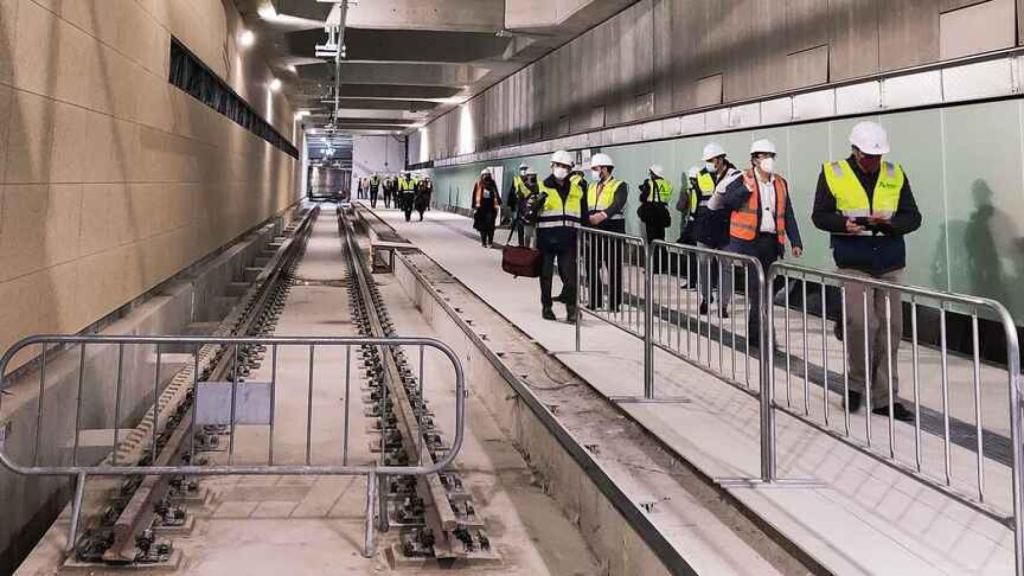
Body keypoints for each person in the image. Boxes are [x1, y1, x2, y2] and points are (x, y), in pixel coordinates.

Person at [812, 120, 921, 422]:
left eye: (879, 156)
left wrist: (891, 225)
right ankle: (857, 386)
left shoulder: (894, 173)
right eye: (870, 156)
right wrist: (841, 224)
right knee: (862, 325)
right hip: (853, 262)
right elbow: (819, 215)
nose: (875, 162)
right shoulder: (833, 173)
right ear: (856, 152)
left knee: (890, 330)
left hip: (889, 262)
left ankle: (886, 398)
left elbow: (913, 216)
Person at [711, 139, 803, 347]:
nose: (768, 160)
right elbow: (729, 202)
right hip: (749, 242)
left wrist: (795, 241)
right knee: (757, 290)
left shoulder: (780, 182)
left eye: (771, 156)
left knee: (766, 289)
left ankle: (759, 334)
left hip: (771, 243)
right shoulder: (742, 179)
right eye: (763, 156)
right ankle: (761, 335)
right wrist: (746, 188)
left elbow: (788, 213)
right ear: (754, 159)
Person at [537, 150, 587, 322]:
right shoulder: (541, 187)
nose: (561, 169)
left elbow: (584, 214)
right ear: (552, 166)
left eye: (565, 166)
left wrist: (586, 236)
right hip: (547, 238)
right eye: (558, 165)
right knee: (546, 276)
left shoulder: (577, 189)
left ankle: (572, 310)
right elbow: (529, 214)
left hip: (568, 239)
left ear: (570, 169)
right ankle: (546, 307)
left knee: (570, 277)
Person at [696, 143, 741, 316]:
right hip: (705, 226)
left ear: (720, 159)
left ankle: (723, 305)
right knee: (703, 265)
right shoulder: (701, 175)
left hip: (725, 227)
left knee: (726, 267)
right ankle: (706, 299)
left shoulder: (735, 175)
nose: (708, 163)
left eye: (710, 160)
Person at [583, 153, 628, 312]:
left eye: (595, 168)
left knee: (613, 267)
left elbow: (618, 203)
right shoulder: (591, 186)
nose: (593, 172)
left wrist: (601, 216)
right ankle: (595, 300)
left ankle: (615, 303)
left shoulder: (619, 185)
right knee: (591, 265)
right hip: (593, 230)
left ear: (604, 168)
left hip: (612, 228)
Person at [639, 164, 673, 273]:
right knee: (661, 240)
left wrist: (644, 189)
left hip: (651, 214)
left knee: (652, 241)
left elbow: (643, 198)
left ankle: (653, 267)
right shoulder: (668, 184)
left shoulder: (650, 183)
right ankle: (662, 267)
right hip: (662, 213)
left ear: (654, 174)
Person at [507, 167, 539, 247]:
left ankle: (533, 251)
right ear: (527, 176)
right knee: (526, 235)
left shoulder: (539, 186)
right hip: (525, 214)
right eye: (531, 175)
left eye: (534, 175)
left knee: (536, 236)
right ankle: (525, 249)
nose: (532, 177)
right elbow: (519, 200)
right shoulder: (521, 186)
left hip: (536, 215)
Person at [472, 168, 499, 247]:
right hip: (481, 208)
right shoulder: (478, 184)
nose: (486, 176)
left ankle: (490, 242)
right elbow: (474, 195)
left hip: (491, 208)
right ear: (481, 176)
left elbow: (496, 195)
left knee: (491, 226)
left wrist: (497, 205)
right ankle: (483, 242)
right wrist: (474, 207)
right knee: (482, 227)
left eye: (487, 175)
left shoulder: (492, 184)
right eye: (484, 175)